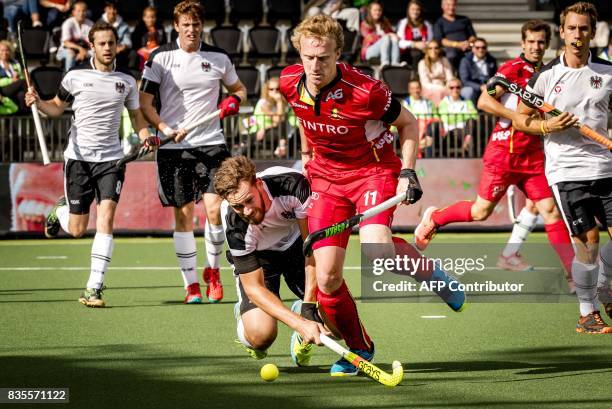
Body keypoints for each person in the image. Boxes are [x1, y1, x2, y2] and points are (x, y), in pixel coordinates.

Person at [280, 14, 465, 377]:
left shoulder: (367, 92)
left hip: (373, 172)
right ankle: (359, 349)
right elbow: (303, 116)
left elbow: (410, 123)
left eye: (325, 58)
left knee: (376, 249)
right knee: (329, 277)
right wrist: (306, 158)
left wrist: (408, 171)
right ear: (299, 52)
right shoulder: (288, 81)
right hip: (326, 179)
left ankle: (431, 273)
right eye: (309, 57)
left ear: (338, 55)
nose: (316, 66)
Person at [414, 20, 577, 298]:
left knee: (549, 210)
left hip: (533, 156)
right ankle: (437, 217)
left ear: (547, 44)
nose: (536, 47)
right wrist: (519, 118)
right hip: (503, 153)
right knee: (481, 212)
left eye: (541, 42)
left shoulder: (551, 73)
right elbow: (484, 102)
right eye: (532, 41)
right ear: (523, 43)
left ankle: (573, 276)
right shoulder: (511, 70)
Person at [26, 22, 157, 308]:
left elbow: (136, 118)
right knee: (76, 229)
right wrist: (37, 101)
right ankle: (59, 211)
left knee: (106, 217)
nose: (108, 48)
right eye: (102, 44)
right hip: (79, 159)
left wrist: (146, 135)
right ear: (92, 46)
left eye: (111, 43)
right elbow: (56, 108)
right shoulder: (75, 77)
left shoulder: (126, 81)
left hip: (111, 159)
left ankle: (94, 288)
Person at [512, 2, 612, 333]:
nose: (578, 34)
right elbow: (521, 119)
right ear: (562, 31)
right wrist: (548, 127)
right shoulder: (544, 78)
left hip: (606, 166)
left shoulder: (609, 73)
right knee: (589, 241)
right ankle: (588, 312)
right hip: (567, 171)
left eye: (584, 28)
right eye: (572, 28)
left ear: (592, 32)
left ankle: (605, 286)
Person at [139, 0, 247, 304]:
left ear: (202, 26)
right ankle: (191, 285)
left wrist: (232, 103)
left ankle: (212, 271)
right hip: (174, 147)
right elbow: (145, 103)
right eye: (185, 24)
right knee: (184, 216)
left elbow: (239, 90)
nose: (191, 29)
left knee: (215, 210)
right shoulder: (160, 58)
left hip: (211, 143)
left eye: (196, 24)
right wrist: (163, 127)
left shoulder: (218, 57)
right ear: (176, 26)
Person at [214, 156, 328, 364]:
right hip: (261, 258)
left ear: (258, 183)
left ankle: (301, 328)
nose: (246, 211)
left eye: (249, 200)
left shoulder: (292, 185)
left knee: (332, 325)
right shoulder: (233, 220)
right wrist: (299, 323)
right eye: (238, 206)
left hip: (296, 247)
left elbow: (312, 250)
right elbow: (254, 288)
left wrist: (309, 305)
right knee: (260, 337)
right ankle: (245, 316)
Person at [435, 77, 478, 157]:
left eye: (457, 87)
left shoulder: (467, 102)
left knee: (472, 124)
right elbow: (446, 118)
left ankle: (470, 161)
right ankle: (467, 143)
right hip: (450, 131)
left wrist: (456, 115)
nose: (455, 89)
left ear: (461, 88)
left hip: (465, 130)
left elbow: (474, 116)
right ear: (448, 89)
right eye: (452, 87)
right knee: (469, 136)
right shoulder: (443, 102)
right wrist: (464, 115)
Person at [433, 0, 476, 69]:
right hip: (450, 50)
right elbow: (440, 40)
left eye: (453, 5)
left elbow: (473, 36)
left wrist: (468, 43)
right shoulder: (439, 22)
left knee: (480, 50)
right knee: (452, 54)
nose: (451, 7)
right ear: (442, 6)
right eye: (448, 5)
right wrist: (458, 44)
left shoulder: (464, 19)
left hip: (467, 48)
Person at [401, 79, 438, 157]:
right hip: (411, 130)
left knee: (431, 131)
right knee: (428, 139)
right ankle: (421, 145)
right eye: (413, 88)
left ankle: (427, 158)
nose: (416, 91)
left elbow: (436, 117)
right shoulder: (405, 103)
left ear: (421, 89)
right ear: (409, 90)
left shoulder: (428, 102)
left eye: (417, 88)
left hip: (427, 130)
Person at [359, 1, 401, 67]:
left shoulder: (385, 22)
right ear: (370, 11)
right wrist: (387, 35)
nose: (377, 12)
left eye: (379, 10)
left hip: (386, 51)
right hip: (369, 52)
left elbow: (392, 34)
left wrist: (393, 36)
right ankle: (385, 63)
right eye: (375, 10)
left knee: (394, 38)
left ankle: (395, 63)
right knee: (387, 37)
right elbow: (369, 38)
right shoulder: (365, 24)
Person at [98, 1, 137, 70]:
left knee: (133, 53)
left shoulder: (124, 25)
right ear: (105, 9)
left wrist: (122, 46)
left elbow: (128, 42)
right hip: (104, 50)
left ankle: (131, 74)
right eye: (109, 8)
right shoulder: (99, 24)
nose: (112, 11)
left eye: (114, 9)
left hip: (119, 51)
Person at [458, 37, 497, 105]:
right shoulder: (465, 61)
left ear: (486, 49)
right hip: (473, 87)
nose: (480, 50)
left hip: (488, 86)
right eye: (477, 47)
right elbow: (465, 80)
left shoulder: (491, 60)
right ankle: (472, 114)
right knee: (467, 92)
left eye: (483, 47)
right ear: (473, 49)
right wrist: (480, 87)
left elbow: (495, 76)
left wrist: (489, 86)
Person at [396, 0, 433, 71]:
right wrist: (414, 44)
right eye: (412, 9)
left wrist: (425, 45)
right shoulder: (403, 23)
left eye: (417, 9)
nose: (415, 12)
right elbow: (399, 43)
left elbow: (430, 41)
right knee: (415, 53)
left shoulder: (427, 24)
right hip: (406, 52)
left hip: (423, 50)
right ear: (408, 10)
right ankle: (414, 77)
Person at [56, 1, 92, 72]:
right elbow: (66, 43)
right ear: (73, 12)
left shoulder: (90, 24)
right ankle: (68, 77)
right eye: (78, 11)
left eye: (83, 11)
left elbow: (92, 44)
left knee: (97, 53)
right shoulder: (68, 23)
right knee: (70, 54)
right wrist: (80, 49)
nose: (81, 13)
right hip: (64, 51)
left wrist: (83, 52)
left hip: (85, 50)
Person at [417, 39, 454, 105]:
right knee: (438, 93)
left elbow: (450, 78)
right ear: (427, 50)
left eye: (436, 48)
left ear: (439, 50)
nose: (433, 50)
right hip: (429, 89)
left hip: (445, 87)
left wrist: (447, 86)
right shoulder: (422, 63)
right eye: (430, 48)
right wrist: (441, 88)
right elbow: (425, 83)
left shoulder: (444, 60)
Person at [0, 40, 26, 114]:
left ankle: (21, 115)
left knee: (21, 94)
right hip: (2, 90)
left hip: (15, 89)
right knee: (22, 82)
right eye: (2, 50)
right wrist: (11, 80)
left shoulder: (15, 63)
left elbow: (21, 77)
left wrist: (18, 77)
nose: (5, 53)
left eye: (7, 50)